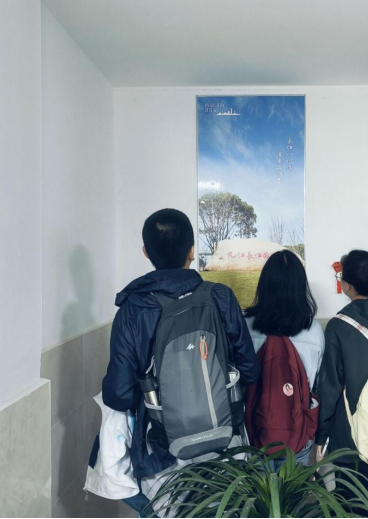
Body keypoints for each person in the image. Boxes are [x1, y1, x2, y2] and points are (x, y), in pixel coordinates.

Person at [101, 208, 260, 515]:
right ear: (191, 250)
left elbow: (119, 395)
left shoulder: (133, 309)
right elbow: (249, 370)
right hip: (225, 445)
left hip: (161, 455)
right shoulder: (220, 297)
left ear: (146, 252)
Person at [314, 250, 368, 518]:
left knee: (353, 505)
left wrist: (321, 436)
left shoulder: (339, 325)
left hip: (351, 436)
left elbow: (330, 386)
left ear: (347, 285)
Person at [245, 250, 325, 470]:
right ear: (300, 288)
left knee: (257, 492)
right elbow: (317, 384)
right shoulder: (314, 331)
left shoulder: (246, 326)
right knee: (294, 492)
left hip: (255, 432)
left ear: (264, 286)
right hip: (298, 434)